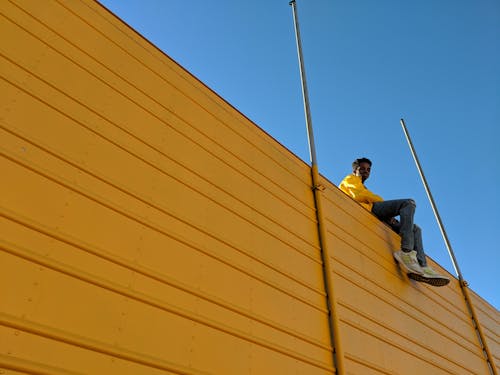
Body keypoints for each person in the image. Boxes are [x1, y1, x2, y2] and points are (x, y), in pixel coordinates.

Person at [339, 157, 450, 287]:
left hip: (376, 212)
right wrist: (382, 204)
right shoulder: (350, 179)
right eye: (362, 169)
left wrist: (387, 215)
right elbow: (357, 195)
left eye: (368, 169)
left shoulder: (363, 185)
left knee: (416, 229)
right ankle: (406, 251)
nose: (366, 171)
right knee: (408, 203)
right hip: (369, 209)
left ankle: (422, 267)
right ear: (355, 170)